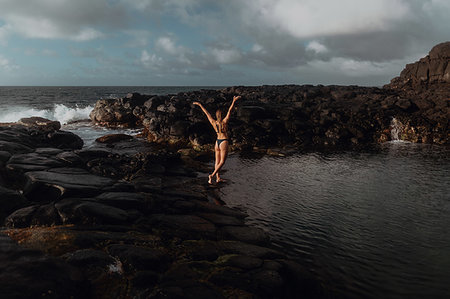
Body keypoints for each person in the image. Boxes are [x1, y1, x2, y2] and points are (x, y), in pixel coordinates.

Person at [193, 95, 241, 184]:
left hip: (217, 142)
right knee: (222, 162)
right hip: (224, 142)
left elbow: (207, 113)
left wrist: (200, 105)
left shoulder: (213, 122)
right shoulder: (224, 122)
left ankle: (218, 178)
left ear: (216, 115)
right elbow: (230, 111)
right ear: (222, 115)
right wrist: (234, 101)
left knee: (217, 161)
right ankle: (212, 175)